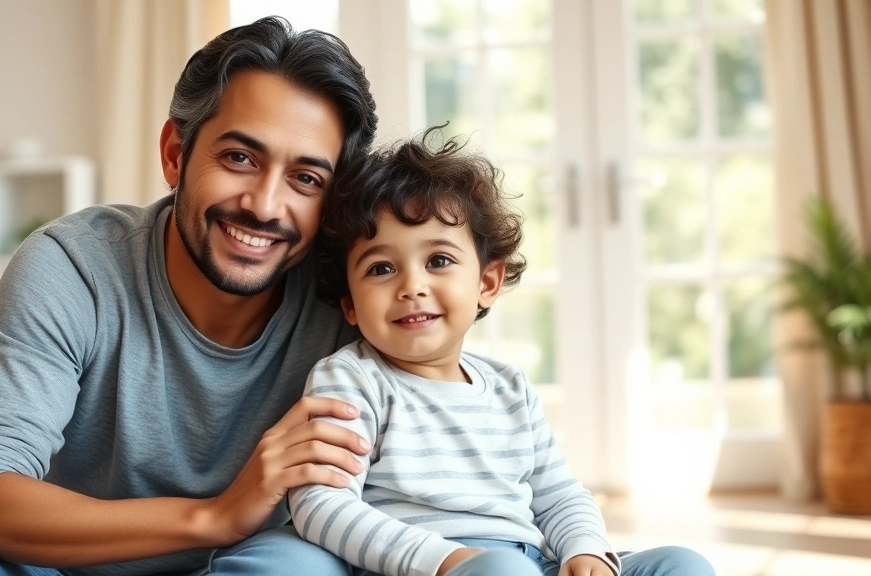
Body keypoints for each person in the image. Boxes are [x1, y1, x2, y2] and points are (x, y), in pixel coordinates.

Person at [0, 17, 378, 576]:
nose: (266, 206)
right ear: (175, 153)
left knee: (301, 567)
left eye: (307, 179)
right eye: (239, 158)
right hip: (64, 569)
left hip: (242, 569)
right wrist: (213, 517)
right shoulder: (75, 266)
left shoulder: (350, 293)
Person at [288, 128, 717, 576]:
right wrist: (444, 560)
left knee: (683, 564)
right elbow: (322, 504)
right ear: (351, 305)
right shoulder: (350, 380)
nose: (411, 286)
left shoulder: (511, 387)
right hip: (424, 568)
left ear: (487, 283)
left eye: (438, 261)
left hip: (532, 565)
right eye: (381, 268)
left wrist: (586, 551)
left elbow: (560, 496)